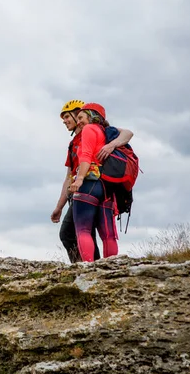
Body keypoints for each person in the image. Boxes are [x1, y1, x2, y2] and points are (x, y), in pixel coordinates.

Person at [51, 100, 133, 262]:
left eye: (69, 117)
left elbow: (128, 133)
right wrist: (59, 206)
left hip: (86, 185)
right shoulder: (74, 143)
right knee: (101, 233)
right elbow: (68, 176)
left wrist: (111, 146)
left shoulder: (94, 131)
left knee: (76, 232)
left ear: (80, 115)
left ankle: (87, 268)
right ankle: (104, 267)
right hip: (102, 188)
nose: (65, 121)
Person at [68, 103, 125, 262]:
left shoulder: (89, 129)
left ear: (91, 115)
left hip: (88, 184)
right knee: (108, 235)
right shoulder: (106, 133)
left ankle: (88, 268)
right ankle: (112, 269)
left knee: (83, 230)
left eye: (81, 117)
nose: (78, 121)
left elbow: (85, 155)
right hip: (106, 186)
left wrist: (79, 179)